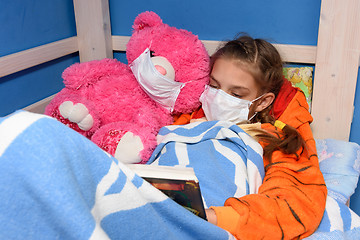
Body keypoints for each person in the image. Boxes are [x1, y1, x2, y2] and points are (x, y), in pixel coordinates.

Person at [173, 34, 327, 239]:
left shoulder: (273, 139)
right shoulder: (186, 120)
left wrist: (212, 217)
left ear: (263, 102)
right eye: (214, 86)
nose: (219, 99)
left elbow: (294, 202)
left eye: (236, 95)